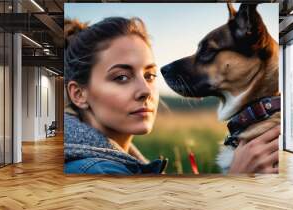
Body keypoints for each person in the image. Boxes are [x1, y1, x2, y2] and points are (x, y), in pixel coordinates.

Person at [63, 17, 279, 175]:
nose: (146, 91)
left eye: (149, 75)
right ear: (79, 94)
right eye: (121, 77)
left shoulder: (124, 162)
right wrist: (237, 178)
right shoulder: (99, 172)